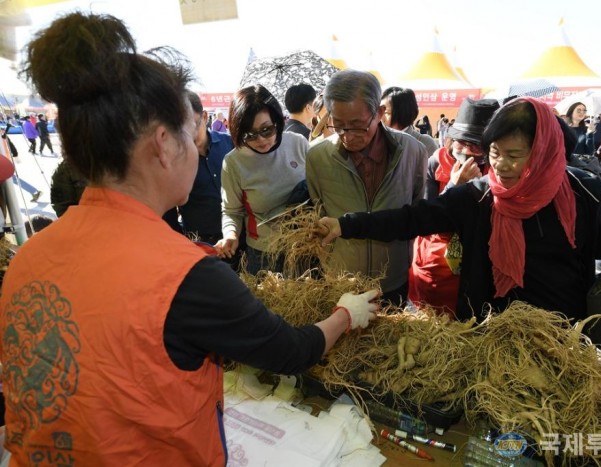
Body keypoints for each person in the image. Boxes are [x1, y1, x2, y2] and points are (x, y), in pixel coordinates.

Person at [0, 12, 378, 465]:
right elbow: (292, 351)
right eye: (191, 131)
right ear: (163, 144)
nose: (200, 144)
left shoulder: (29, 255)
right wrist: (345, 314)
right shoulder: (185, 275)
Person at [315, 97, 601, 322]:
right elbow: (411, 218)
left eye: (514, 156)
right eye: (494, 154)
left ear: (543, 151)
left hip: (562, 332)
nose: (501, 166)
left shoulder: (582, 191)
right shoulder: (477, 198)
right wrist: (345, 225)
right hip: (490, 332)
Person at [306, 70, 427, 306]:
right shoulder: (318, 157)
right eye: (338, 125)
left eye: (358, 125)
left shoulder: (412, 151)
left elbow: (414, 207)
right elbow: (318, 209)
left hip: (393, 278)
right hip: (342, 280)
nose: (348, 136)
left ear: (380, 113)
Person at [409, 98, 499, 317]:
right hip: (436, 254)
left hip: (476, 252)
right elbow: (428, 214)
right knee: (433, 313)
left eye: (476, 145)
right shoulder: (436, 162)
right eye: (462, 142)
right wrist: (454, 186)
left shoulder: (496, 167)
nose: (468, 151)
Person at [216, 85, 309, 274]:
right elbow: (231, 211)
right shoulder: (233, 162)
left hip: (305, 248)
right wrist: (230, 234)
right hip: (264, 255)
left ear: (277, 120)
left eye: (266, 130)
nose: (260, 140)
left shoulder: (298, 143)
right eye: (249, 134)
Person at [168, 91, 234, 245]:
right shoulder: (173, 160)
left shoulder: (230, 144)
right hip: (201, 246)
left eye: (192, 125)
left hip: (237, 240)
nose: (188, 134)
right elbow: (169, 212)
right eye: (180, 130)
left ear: (204, 117)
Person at [381, 86, 439, 155]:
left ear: (402, 113)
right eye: (379, 111)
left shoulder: (425, 143)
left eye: (386, 113)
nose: (380, 117)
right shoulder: (376, 140)